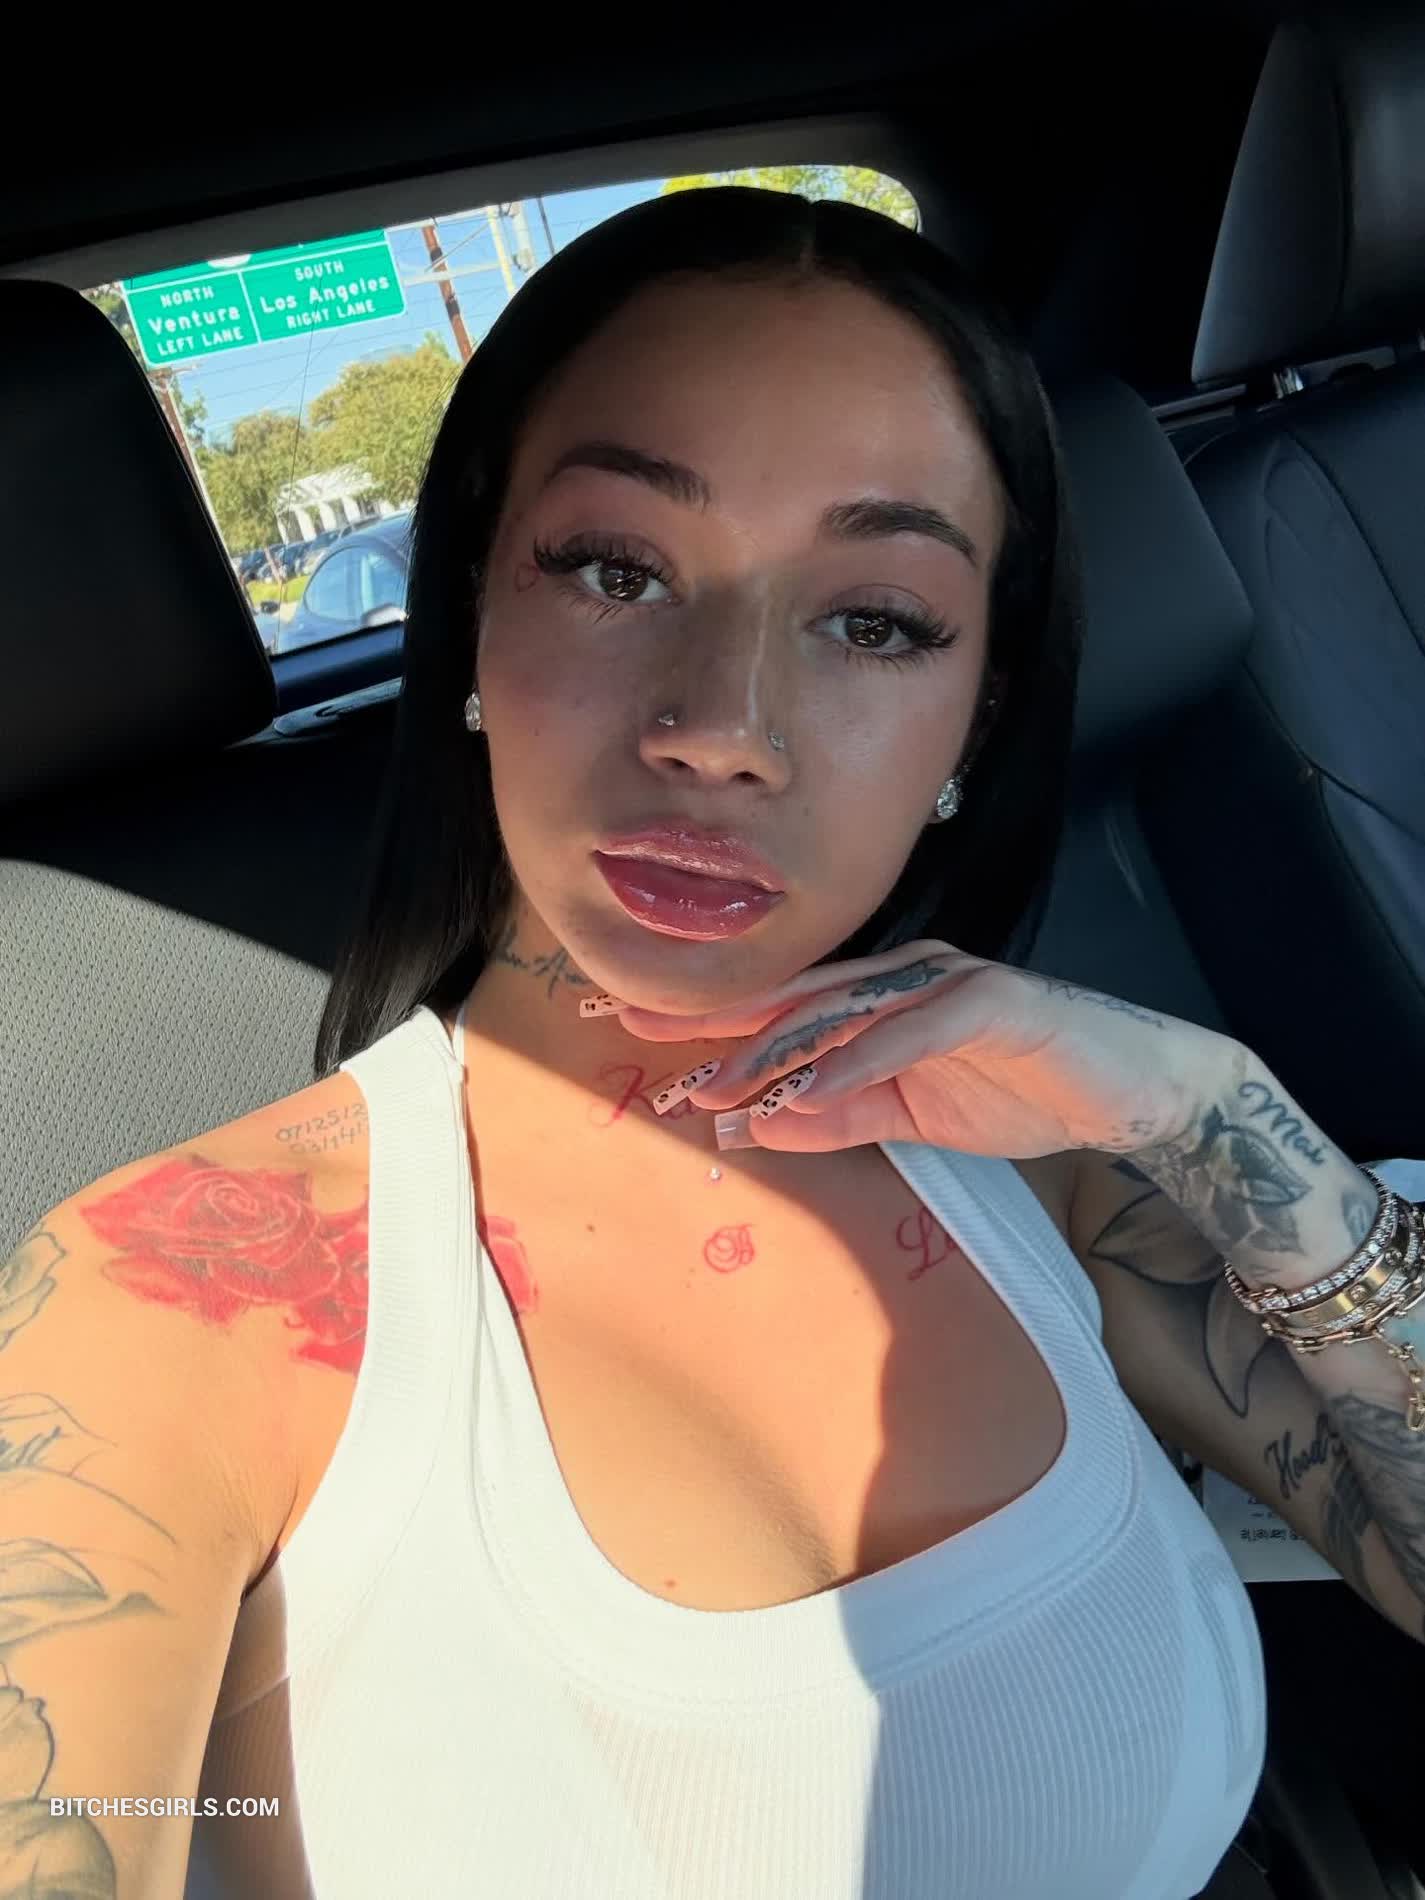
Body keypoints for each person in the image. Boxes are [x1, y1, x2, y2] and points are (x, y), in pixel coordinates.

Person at [6, 188, 1268, 1900]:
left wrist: (1214, 1105)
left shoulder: (1042, 1151)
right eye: (616, 569)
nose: (720, 729)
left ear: (976, 716)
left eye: (874, 620)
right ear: (472, 610)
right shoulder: (176, 1302)